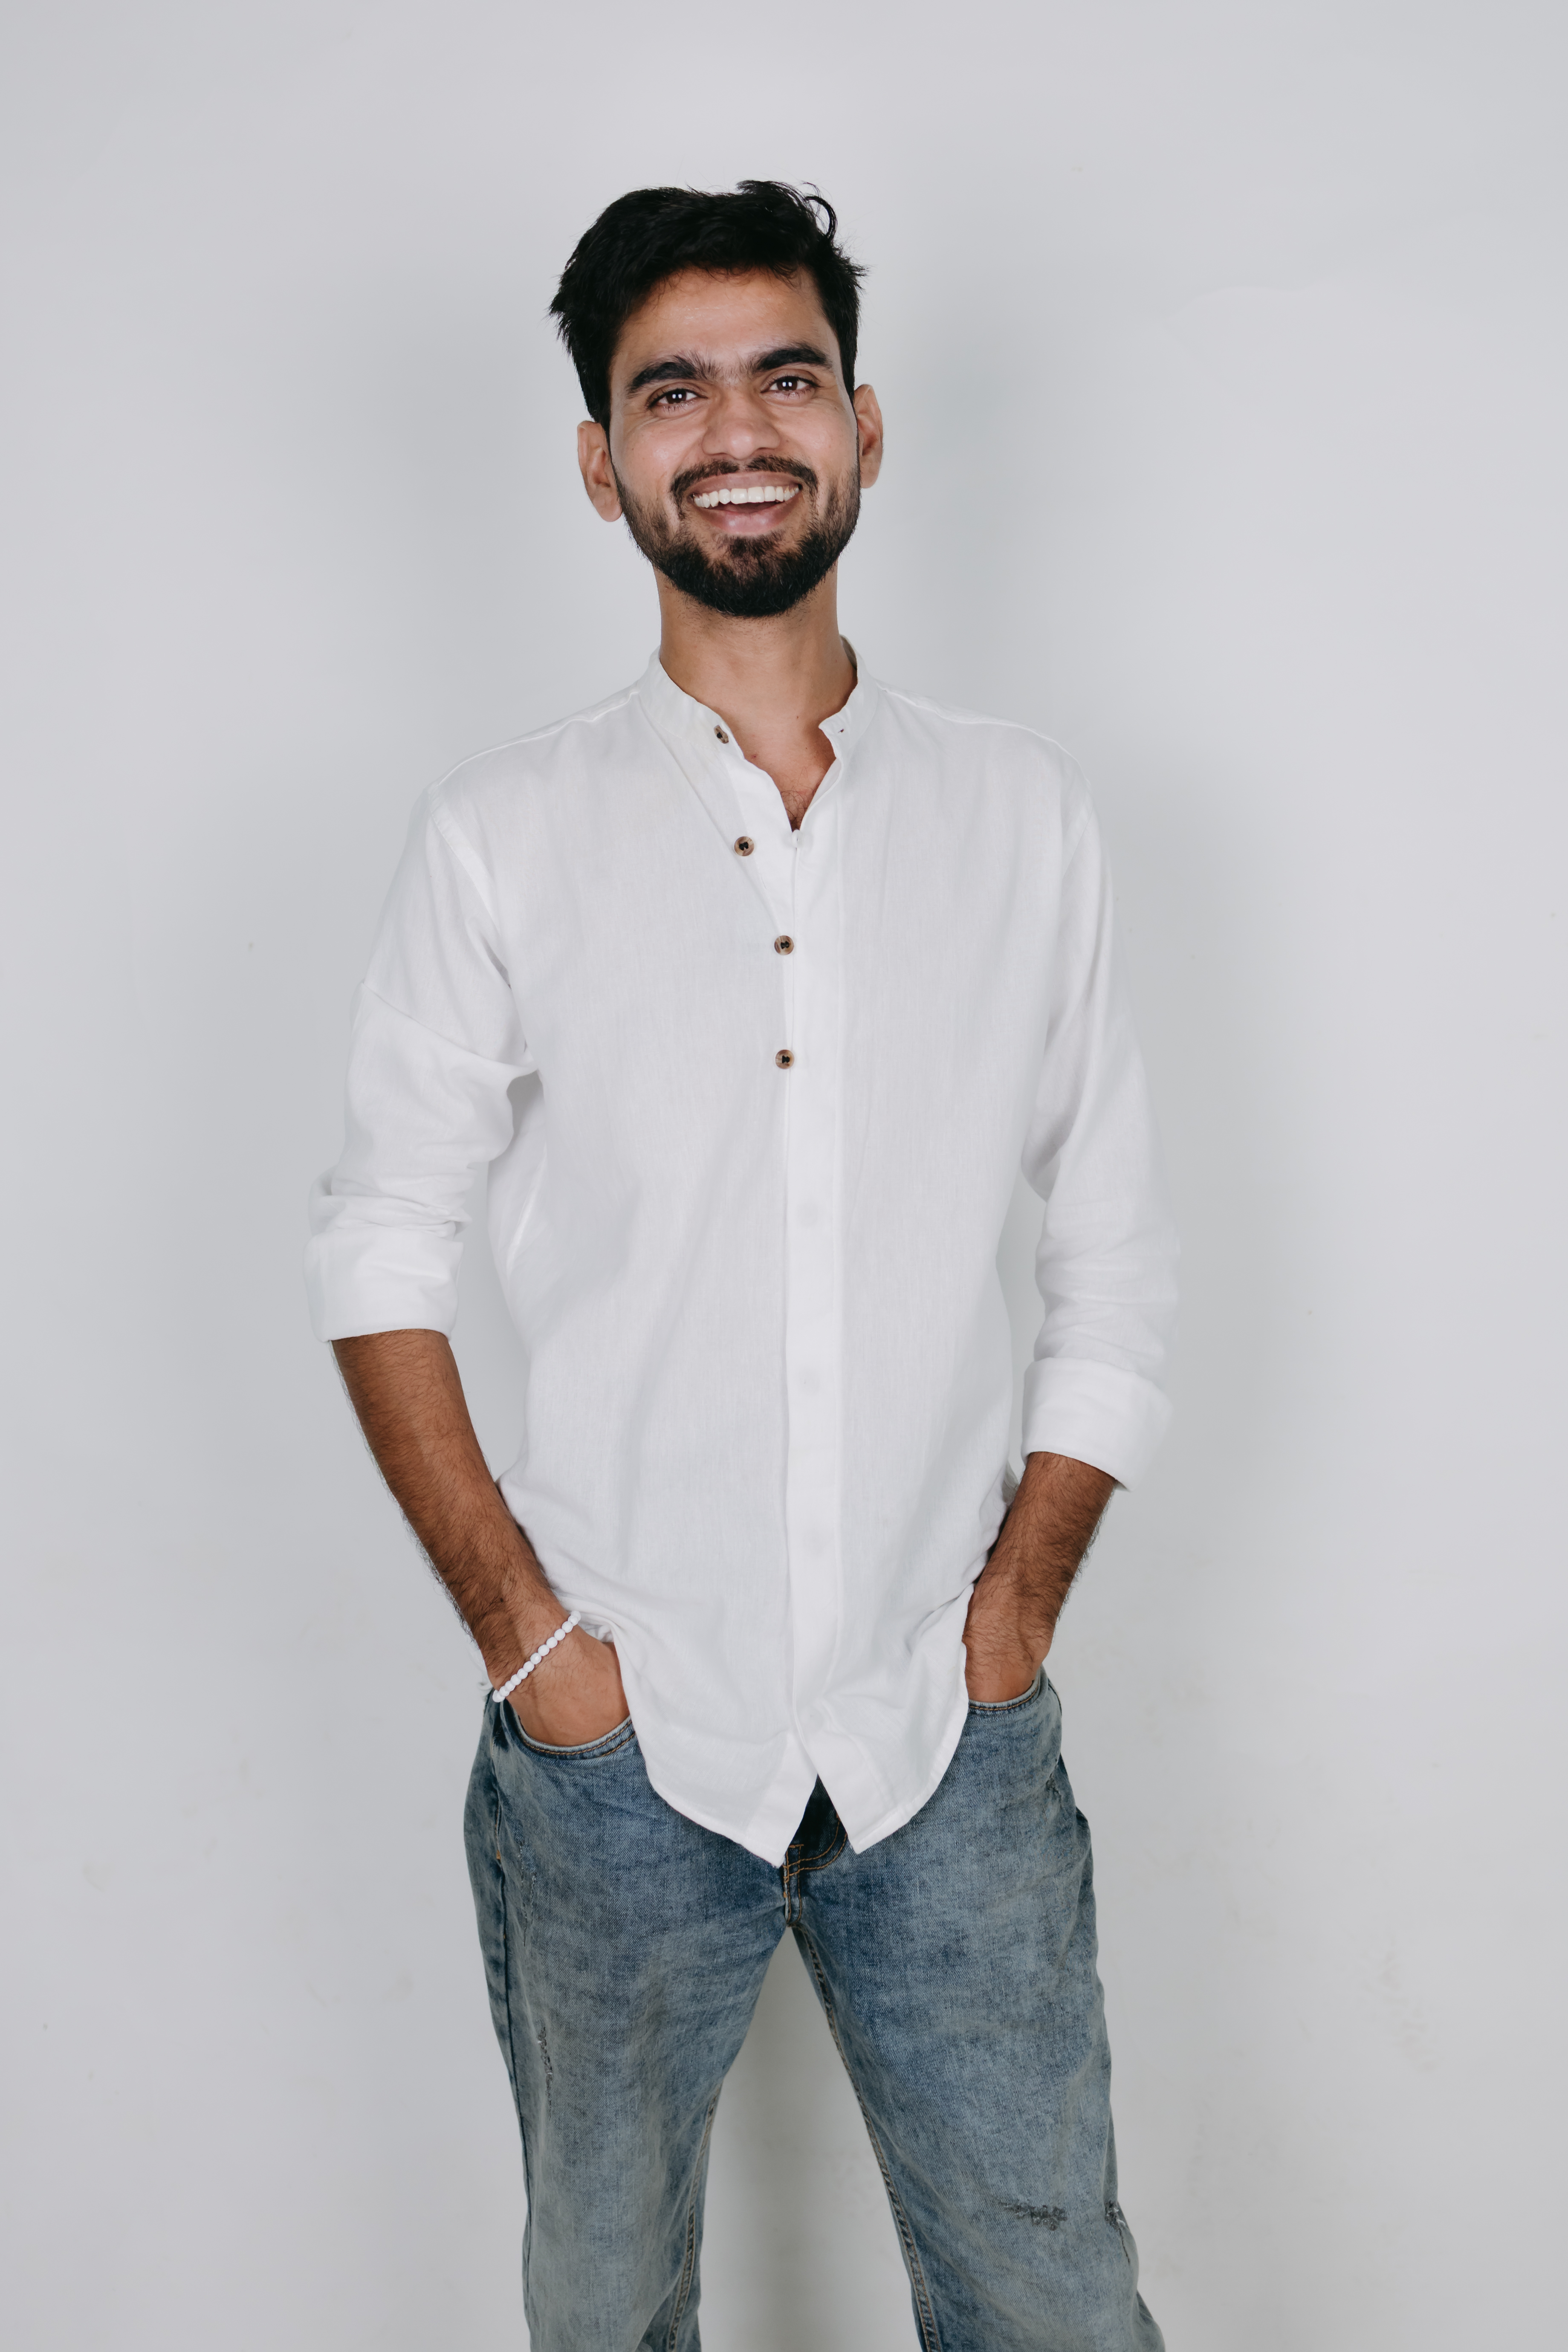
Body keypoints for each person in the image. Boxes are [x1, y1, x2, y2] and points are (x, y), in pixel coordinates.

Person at [307, 179, 1177, 2352]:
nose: (736, 432)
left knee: (1054, 2304)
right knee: (604, 2309)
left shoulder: (1022, 816)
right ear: (597, 462)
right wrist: (530, 1643)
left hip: (941, 1730)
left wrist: (1010, 1618)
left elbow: (1114, 1252)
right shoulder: (500, 836)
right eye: (669, 393)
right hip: (617, 1735)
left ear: (863, 427)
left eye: (785, 377)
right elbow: (379, 1244)